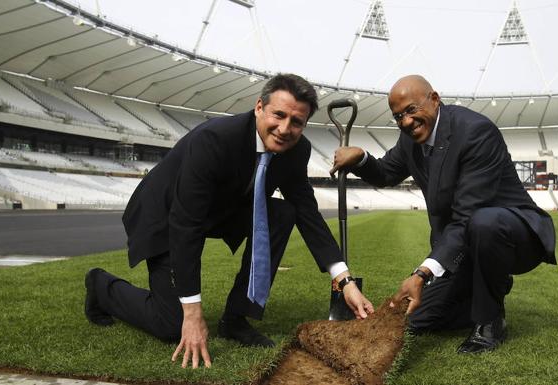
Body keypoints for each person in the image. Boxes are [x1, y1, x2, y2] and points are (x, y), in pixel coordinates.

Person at [84, 73, 374, 369]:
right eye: (279, 115)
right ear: (259, 107)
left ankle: (236, 319)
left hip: (221, 209)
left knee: (284, 213)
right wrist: (193, 312)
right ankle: (100, 286)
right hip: (165, 213)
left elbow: (306, 211)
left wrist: (344, 281)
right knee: (171, 325)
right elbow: (186, 225)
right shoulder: (215, 139)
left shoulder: (297, 150)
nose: (285, 128)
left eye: (296, 122)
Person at [331, 75, 556, 354]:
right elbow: (387, 172)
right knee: (414, 319)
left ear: (434, 99)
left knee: (483, 222)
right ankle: (477, 294)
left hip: (512, 234)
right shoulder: (409, 140)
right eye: (398, 116)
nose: (406, 122)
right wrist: (361, 158)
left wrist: (422, 273)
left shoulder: (476, 132)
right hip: (464, 245)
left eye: (411, 110)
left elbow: (467, 216)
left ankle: (489, 320)